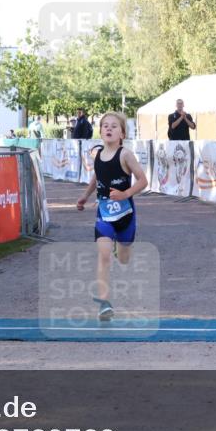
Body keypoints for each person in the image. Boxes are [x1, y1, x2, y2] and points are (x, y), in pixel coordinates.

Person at [75, 112, 148, 321]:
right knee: (104, 254)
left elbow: (143, 181)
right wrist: (85, 196)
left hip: (125, 215)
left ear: (122, 133)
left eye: (114, 126)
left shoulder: (126, 155)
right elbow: (97, 176)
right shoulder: (98, 154)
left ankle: (120, 247)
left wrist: (125, 194)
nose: (109, 128)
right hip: (104, 214)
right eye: (105, 125)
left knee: (124, 259)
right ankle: (104, 304)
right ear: (100, 131)